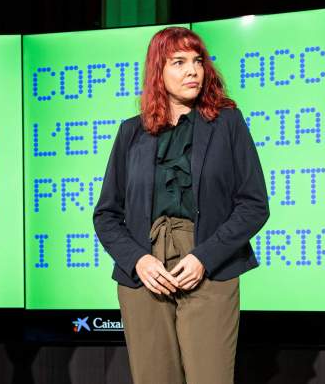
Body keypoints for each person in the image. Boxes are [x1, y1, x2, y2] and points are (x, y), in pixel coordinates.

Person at [93, 27, 269, 384]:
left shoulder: (228, 123)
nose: (193, 70)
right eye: (179, 62)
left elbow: (254, 205)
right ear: (159, 70)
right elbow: (107, 215)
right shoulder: (131, 132)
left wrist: (204, 257)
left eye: (198, 61)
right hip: (145, 274)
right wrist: (137, 260)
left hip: (209, 267)